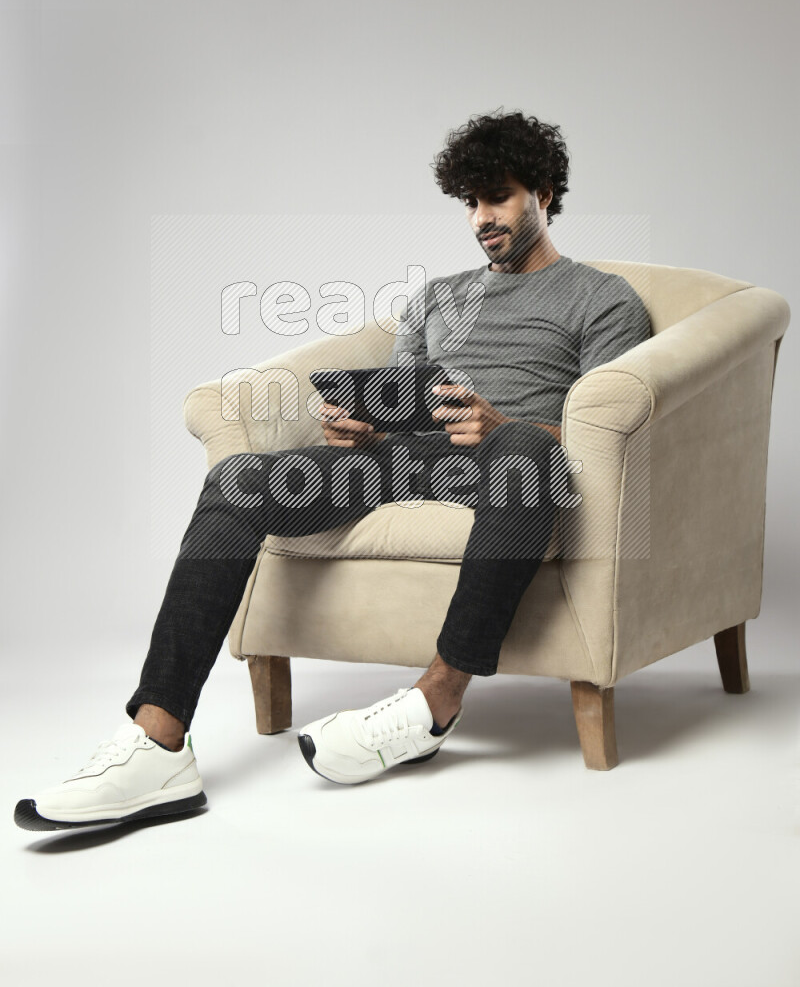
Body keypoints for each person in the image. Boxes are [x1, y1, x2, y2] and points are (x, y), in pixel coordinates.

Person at [14, 109, 651, 829]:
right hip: (406, 457)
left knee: (529, 454)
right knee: (238, 481)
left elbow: (601, 433)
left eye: (497, 197)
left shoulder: (603, 299)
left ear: (541, 190)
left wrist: (507, 425)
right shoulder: (438, 297)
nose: (481, 218)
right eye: (470, 202)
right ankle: (158, 744)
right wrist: (361, 422)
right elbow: (406, 397)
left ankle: (437, 699)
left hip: (511, 460)